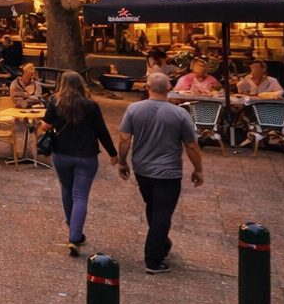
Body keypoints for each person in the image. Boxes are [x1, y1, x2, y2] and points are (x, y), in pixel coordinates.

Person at [117, 72, 204, 273]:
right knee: (163, 213)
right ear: (169, 88)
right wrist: (198, 169)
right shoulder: (180, 113)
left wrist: (122, 162)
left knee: (153, 206)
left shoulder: (134, 109)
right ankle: (153, 259)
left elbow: (124, 138)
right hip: (168, 171)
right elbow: (191, 145)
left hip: (143, 169)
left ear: (147, 87)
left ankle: (162, 244)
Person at [40, 71, 119, 257]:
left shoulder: (55, 102)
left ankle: (73, 228)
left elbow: (45, 126)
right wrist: (113, 154)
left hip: (62, 154)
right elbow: (102, 131)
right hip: (86, 155)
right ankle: (74, 236)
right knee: (81, 196)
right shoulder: (91, 106)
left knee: (66, 190)